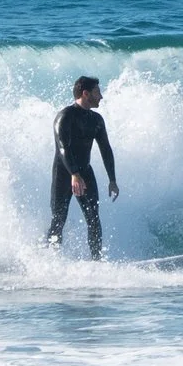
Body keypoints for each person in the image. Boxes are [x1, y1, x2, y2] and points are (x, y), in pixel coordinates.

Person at [48, 75, 118, 257]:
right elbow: (63, 148)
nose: (101, 97)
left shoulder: (97, 120)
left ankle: (97, 260)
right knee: (58, 219)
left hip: (85, 172)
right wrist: (74, 174)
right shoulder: (65, 116)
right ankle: (49, 261)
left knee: (93, 218)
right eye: (97, 92)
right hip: (64, 174)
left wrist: (112, 179)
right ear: (86, 94)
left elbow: (106, 149)